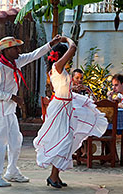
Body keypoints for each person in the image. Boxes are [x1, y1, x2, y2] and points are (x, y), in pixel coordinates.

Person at [0, 35, 62, 187]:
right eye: (15, 48)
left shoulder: (16, 62)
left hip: (8, 110)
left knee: (16, 140)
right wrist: (12, 97)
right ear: (6, 50)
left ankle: (12, 171)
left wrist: (50, 44)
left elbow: (34, 54)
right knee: (0, 143)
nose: (19, 50)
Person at [33, 37, 108, 188]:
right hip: (60, 107)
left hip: (65, 105)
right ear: (61, 55)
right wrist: (66, 39)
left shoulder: (60, 68)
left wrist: (73, 91)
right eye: (67, 55)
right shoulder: (57, 66)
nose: (70, 57)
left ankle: (55, 176)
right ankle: (53, 176)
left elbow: (63, 86)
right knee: (64, 140)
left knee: (67, 140)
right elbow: (73, 47)